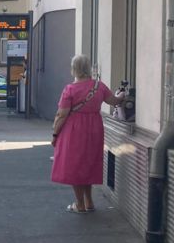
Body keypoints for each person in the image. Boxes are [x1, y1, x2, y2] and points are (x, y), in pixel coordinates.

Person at [51, 55, 124, 213]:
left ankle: (80, 204)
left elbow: (62, 114)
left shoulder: (70, 89)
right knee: (88, 163)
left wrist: (55, 134)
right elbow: (114, 101)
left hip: (74, 130)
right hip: (95, 128)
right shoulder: (99, 86)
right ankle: (89, 201)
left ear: (74, 69)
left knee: (75, 165)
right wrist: (122, 95)